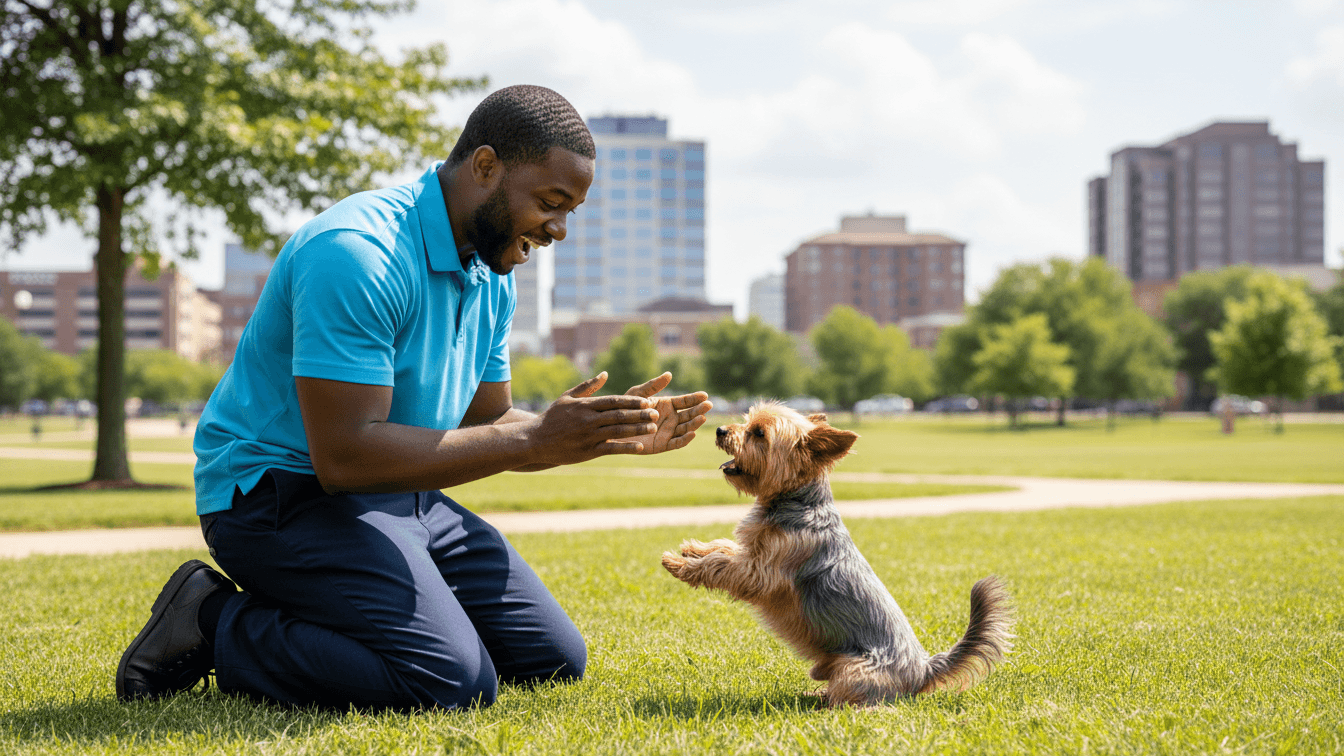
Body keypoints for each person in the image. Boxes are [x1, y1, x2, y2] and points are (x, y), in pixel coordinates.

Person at [116, 85, 712, 711]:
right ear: (486, 168)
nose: (558, 228)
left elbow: (490, 421)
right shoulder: (357, 254)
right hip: (279, 496)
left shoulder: (490, 272)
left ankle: (384, 626)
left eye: (569, 211)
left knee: (550, 659)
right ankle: (213, 621)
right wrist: (534, 438)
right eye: (550, 202)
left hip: (398, 492)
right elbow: (344, 460)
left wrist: (591, 433)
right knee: (449, 682)